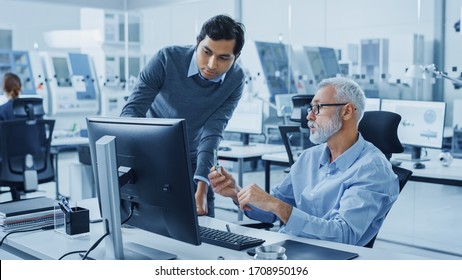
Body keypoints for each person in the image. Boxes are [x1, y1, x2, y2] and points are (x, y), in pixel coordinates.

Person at [209, 77, 399, 246]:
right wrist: (236, 193)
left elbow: (343, 236)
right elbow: (271, 213)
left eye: (318, 107)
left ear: (347, 111)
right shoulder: (309, 157)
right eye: (310, 108)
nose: (309, 116)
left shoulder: (372, 169)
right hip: (286, 249)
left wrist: (277, 205)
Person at [120, 14, 246, 217]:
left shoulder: (236, 79)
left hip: (195, 163)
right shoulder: (167, 59)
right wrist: (130, 160)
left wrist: (202, 188)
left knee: (203, 236)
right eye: (206, 52)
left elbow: (212, 132)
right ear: (197, 43)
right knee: (148, 231)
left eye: (223, 58)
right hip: (150, 157)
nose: (212, 65)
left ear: (236, 57)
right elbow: (132, 111)